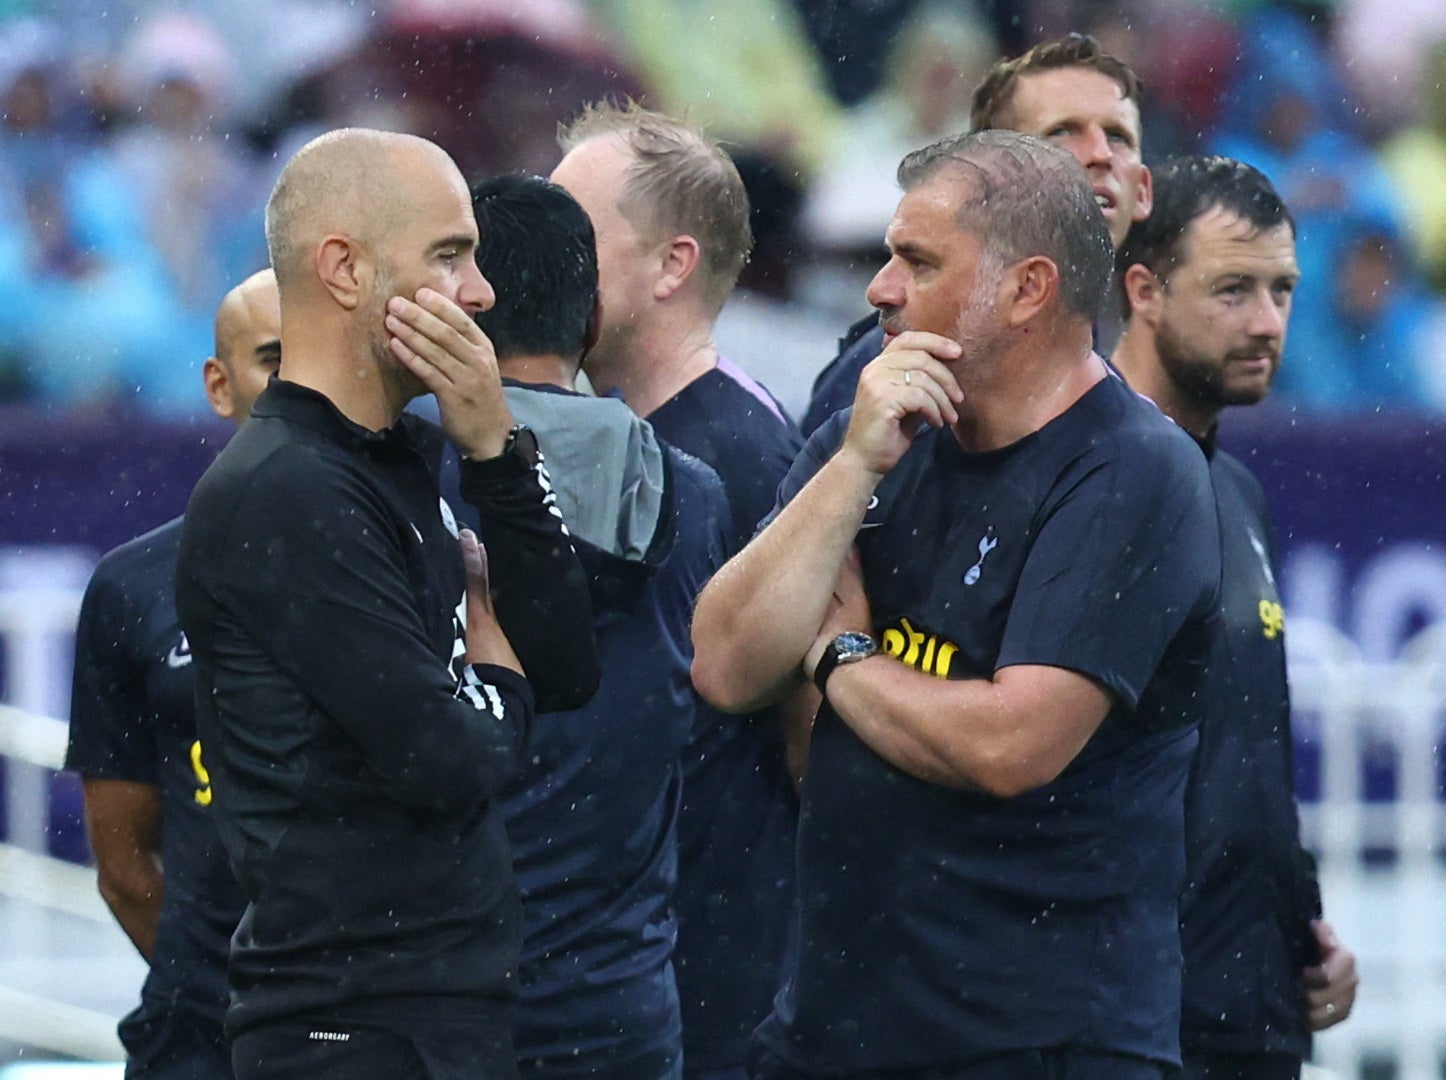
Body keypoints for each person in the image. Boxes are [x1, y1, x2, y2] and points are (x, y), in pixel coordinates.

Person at [690, 130, 1222, 1078]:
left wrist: (837, 657)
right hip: (829, 1032)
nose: (878, 289)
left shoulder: (1135, 470)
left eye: (917, 261)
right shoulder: (880, 428)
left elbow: (1008, 745)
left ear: (1027, 290)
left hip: (1036, 1041)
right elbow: (725, 662)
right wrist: (850, 464)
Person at [174, 128, 598, 1080]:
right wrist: (495, 677)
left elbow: (566, 667)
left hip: (433, 1010)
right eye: (451, 256)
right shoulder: (289, 490)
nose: (481, 291)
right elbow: (445, 760)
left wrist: (496, 450)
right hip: (347, 1030)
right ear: (345, 270)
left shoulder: (405, 457)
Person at [550, 101, 805, 1078]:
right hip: (632, 978)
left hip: (718, 984)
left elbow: (806, 736)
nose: (549, 262)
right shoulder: (608, 439)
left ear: (672, 265)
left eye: (579, 236)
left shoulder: (748, 455)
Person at [469, 172, 729, 1078]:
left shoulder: (396, 478)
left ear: (461, 307)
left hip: (439, 996)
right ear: (589, 323)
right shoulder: (694, 495)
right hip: (615, 1006)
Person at [1110, 154, 1359, 1079]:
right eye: (1233, 289)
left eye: (1283, 289)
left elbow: (1243, 752)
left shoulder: (1236, 490)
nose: (1268, 323)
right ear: (1143, 289)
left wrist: (1299, 927)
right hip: (1135, 1023)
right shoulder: (1079, 481)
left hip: (1249, 1015)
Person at [66, 268, 280, 1079]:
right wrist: (219, 997)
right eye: (273, 359)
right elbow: (122, 864)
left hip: (375, 1023)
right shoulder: (133, 586)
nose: (300, 384)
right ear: (220, 388)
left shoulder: (424, 556)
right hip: (200, 1039)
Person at [802, 31, 1153, 436]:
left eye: (1117, 136)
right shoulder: (897, 360)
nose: (1101, 154)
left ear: (1143, 191)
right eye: (1062, 131)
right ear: (984, 177)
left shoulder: (1138, 434)